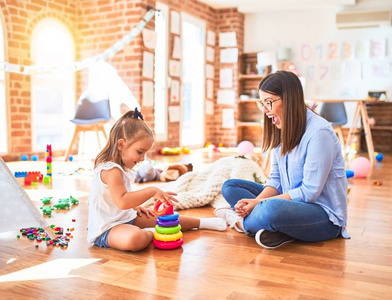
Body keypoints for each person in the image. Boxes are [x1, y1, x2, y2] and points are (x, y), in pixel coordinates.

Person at [216, 71, 349, 249]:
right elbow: (277, 180)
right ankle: (279, 230)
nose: (265, 110)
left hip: (323, 217)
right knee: (230, 187)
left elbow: (309, 193)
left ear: (289, 99)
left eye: (269, 102)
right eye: (262, 103)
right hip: (289, 205)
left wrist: (260, 204)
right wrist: (256, 202)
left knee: (271, 210)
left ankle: (241, 223)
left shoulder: (319, 133)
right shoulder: (282, 127)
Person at [87, 108, 226, 251]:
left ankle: (203, 222)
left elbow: (115, 198)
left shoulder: (122, 168)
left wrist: (135, 207)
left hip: (126, 218)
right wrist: (152, 190)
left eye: (145, 153)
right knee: (135, 240)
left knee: (167, 219)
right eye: (140, 152)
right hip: (107, 228)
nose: (142, 158)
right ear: (121, 145)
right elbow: (122, 200)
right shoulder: (111, 170)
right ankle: (152, 233)